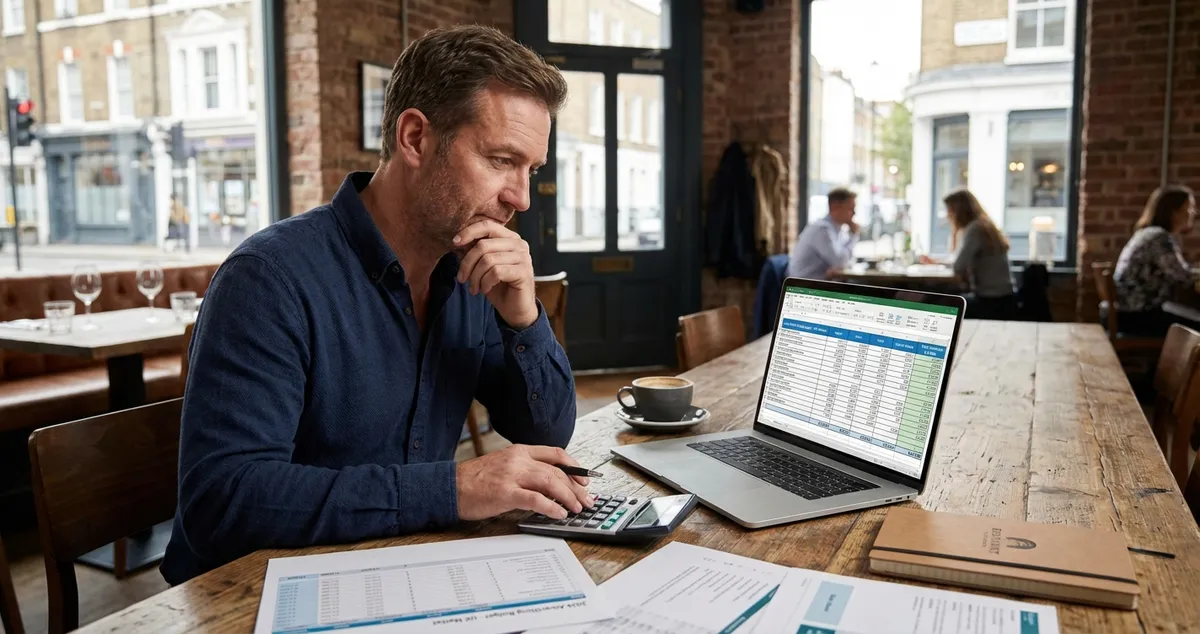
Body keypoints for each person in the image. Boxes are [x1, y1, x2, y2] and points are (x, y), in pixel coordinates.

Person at [161, 25, 591, 584]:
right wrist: (453, 488)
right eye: (500, 160)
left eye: (530, 170)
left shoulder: (469, 270)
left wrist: (523, 318)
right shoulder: (268, 279)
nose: (521, 197)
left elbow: (548, 432)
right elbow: (222, 504)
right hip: (252, 597)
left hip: (402, 574)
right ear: (415, 138)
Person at [1113, 184, 1197, 336]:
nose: (1193, 212)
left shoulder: (1149, 233)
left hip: (1127, 312)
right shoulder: (1159, 238)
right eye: (1189, 208)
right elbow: (1182, 277)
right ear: (1174, 212)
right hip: (1138, 316)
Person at [938, 189, 1016, 320]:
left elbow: (958, 266)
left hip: (992, 302)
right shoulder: (984, 225)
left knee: (943, 304)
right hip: (1004, 299)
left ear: (959, 211)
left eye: (949, 210)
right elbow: (960, 261)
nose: (947, 216)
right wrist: (937, 262)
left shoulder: (975, 229)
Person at [787, 187, 859, 279]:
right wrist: (853, 235)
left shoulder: (838, 230)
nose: (854, 213)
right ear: (835, 207)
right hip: (804, 287)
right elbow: (841, 262)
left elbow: (846, 261)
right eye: (850, 209)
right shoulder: (821, 230)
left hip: (819, 283)